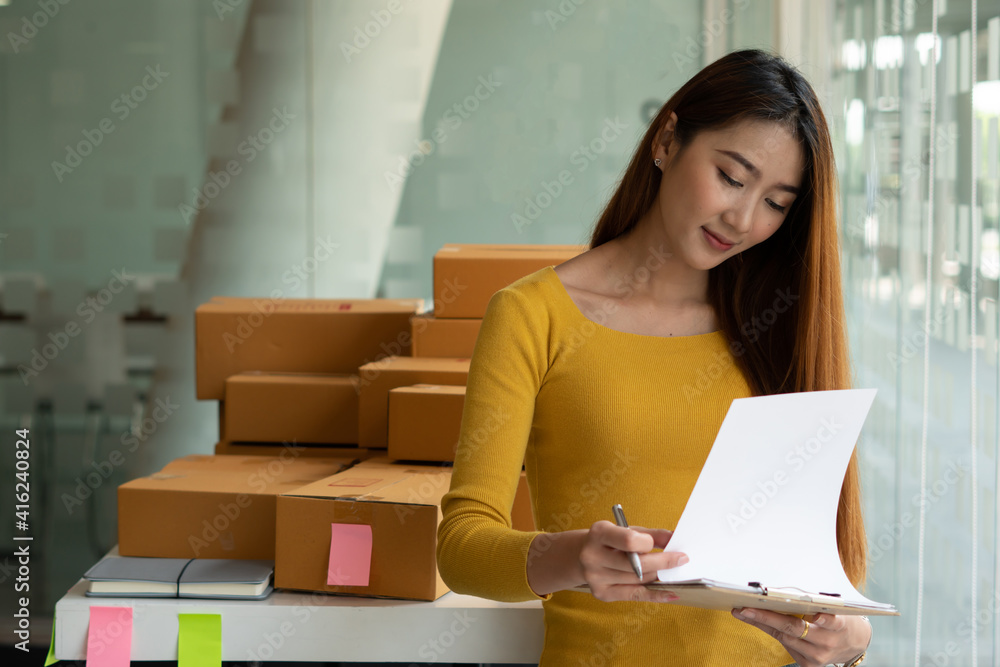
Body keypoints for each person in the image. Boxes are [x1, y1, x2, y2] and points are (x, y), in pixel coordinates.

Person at [436, 49, 873, 667]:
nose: (743, 218)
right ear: (668, 138)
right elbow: (460, 546)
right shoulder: (533, 316)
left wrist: (848, 636)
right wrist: (573, 558)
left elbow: (825, 575)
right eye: (732, 176)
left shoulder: (784, 326)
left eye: (777, 202)